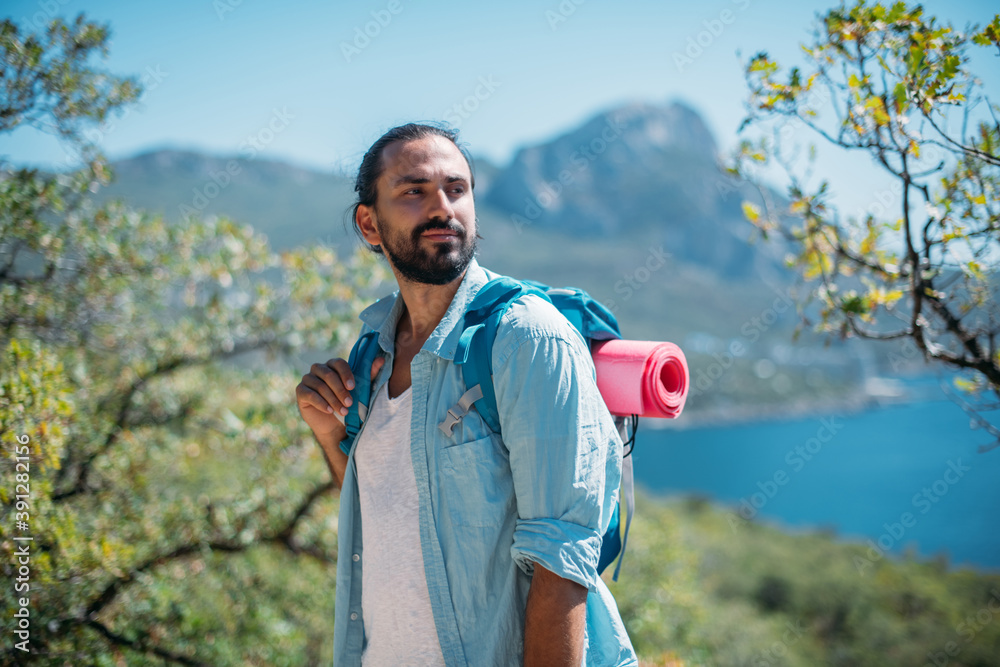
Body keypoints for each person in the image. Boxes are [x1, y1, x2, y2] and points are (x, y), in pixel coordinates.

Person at [295, 123, 637, 666]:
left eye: (457, 189)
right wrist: (330, 433)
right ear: (369, 224)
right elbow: (385, 509)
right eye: (414, 191)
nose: (442, 207)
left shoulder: (527, 338)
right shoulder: (371, 351)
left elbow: (562, 559)